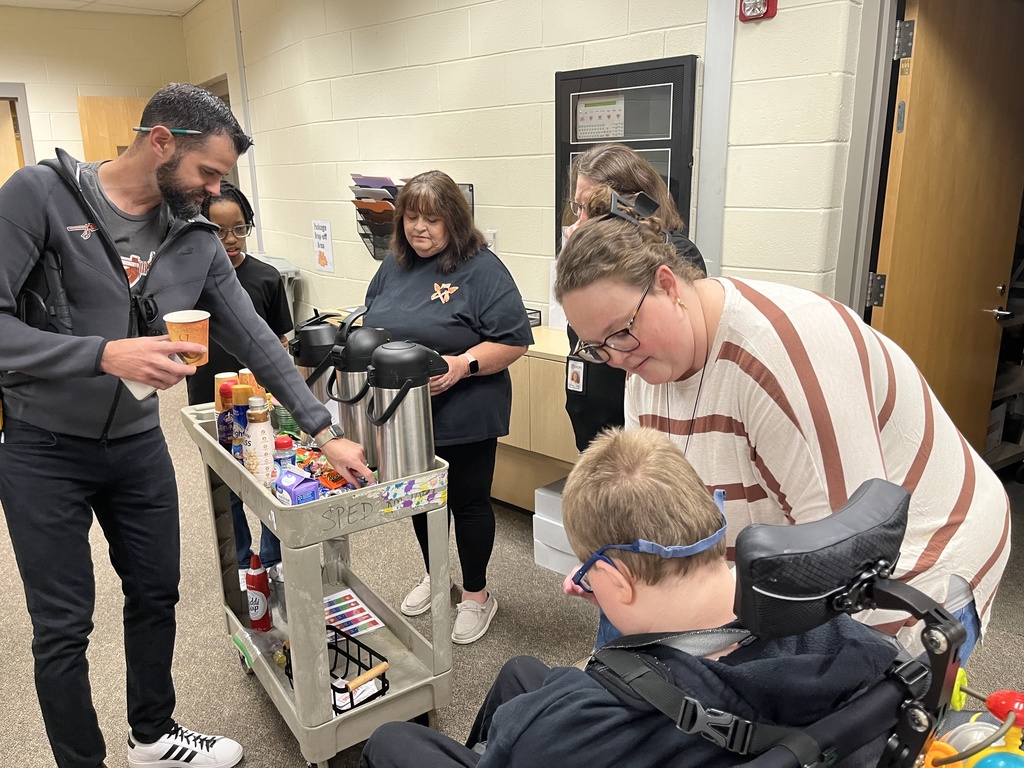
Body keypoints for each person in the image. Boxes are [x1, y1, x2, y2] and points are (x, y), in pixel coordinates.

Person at [0, 83, 371, 768]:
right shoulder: (39, 196)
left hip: (137, 445)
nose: (213, 191)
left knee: (155, 592)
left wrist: (324, 430)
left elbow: (258, 339)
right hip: (43, 447)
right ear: (161, 141)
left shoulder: (193, 238)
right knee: (62, 626)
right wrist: (101, 353)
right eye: (207, 173)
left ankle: (152, 735)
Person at [554, 204, 1011, 660]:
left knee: (871, 703)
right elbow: (656, 512)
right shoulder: (644, 365)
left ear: (667, 285)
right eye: (597, 347)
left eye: (620, 332)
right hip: (786, 552)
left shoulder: (783, 359)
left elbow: (844, 565)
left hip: (914, 562)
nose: (615, 357)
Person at [359, 428, 901, 768]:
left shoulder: (559, 727)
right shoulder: (855, 645)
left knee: (391, 741)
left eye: (591, 573)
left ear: (616, 579)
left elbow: (543, 734)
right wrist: (625, 605)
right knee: (519, 671)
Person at [363, 170, 533, 644]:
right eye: (411, 217)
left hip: (467, 407)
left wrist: (462, 364)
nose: (420, 228)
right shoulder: (394, 264)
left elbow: (514, 340)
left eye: (432, 220)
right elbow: (372, 321)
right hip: (408, 411)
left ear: (454, 222)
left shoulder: (482, 269)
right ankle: (438, 576)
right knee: (421, 498)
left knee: (469, 501)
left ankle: (477, 595)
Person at [561, 143, 706, 452]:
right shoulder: (588, 257)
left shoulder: (673, 252)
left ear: (632, 204)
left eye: (594, 208)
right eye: (578, 207)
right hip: (592, 414)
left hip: (639, 423)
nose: (580, 221)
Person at [186, 181, 291, 584]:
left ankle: (270, 557)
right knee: (225, 485)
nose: (230, 240)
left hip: (260, 402)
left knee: (268, 476)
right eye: (218, 231)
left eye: (239, 229)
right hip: (211, 400)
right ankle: (241, 559)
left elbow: (280, 342)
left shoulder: (265, 277)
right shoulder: (190, 279)